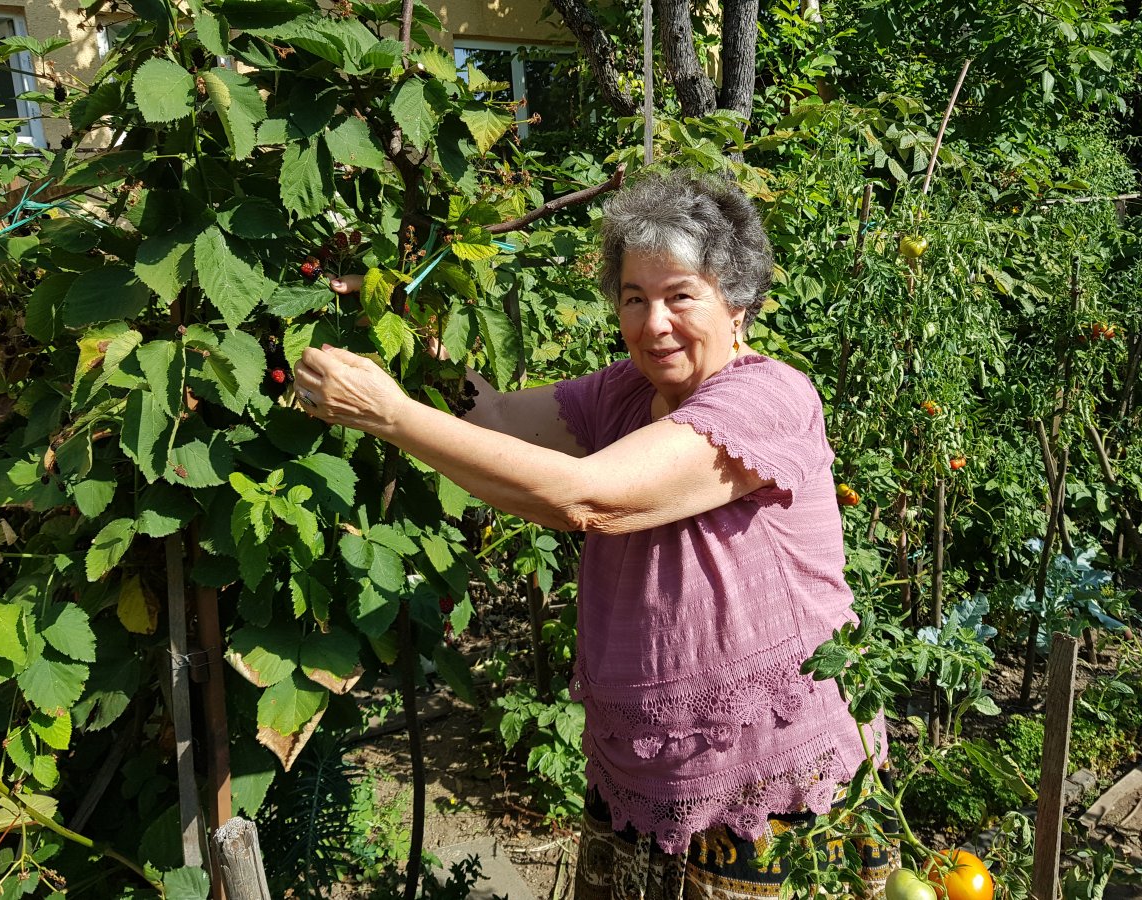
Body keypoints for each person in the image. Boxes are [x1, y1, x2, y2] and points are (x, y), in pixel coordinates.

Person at [293, 169, 895, 898]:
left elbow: (595, 499)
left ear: (736, 303)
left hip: (766, 772)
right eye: (634, 299)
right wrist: (419, 339)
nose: (653, 324)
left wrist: (390, 414)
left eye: (680, 296)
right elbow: (487, 422)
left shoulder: (766, 397)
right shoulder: (625, 392)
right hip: (644, 760)